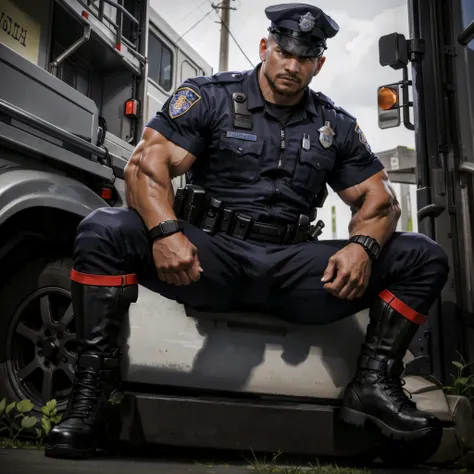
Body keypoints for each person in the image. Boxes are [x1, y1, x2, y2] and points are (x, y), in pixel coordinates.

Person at [45, 3, 450, 459]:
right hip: (209, 260)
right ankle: (91, 394)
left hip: (292, 271)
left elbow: (381, 201)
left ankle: (373, 384)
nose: (292, 66)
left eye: (305, 57)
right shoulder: (210, 96)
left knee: (423, 254)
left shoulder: (334, 125)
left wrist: (362, 247)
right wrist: (165, 234)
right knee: (103, 229)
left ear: (319, 63)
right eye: (283, 52)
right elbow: (144, 166)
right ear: (265, 47)